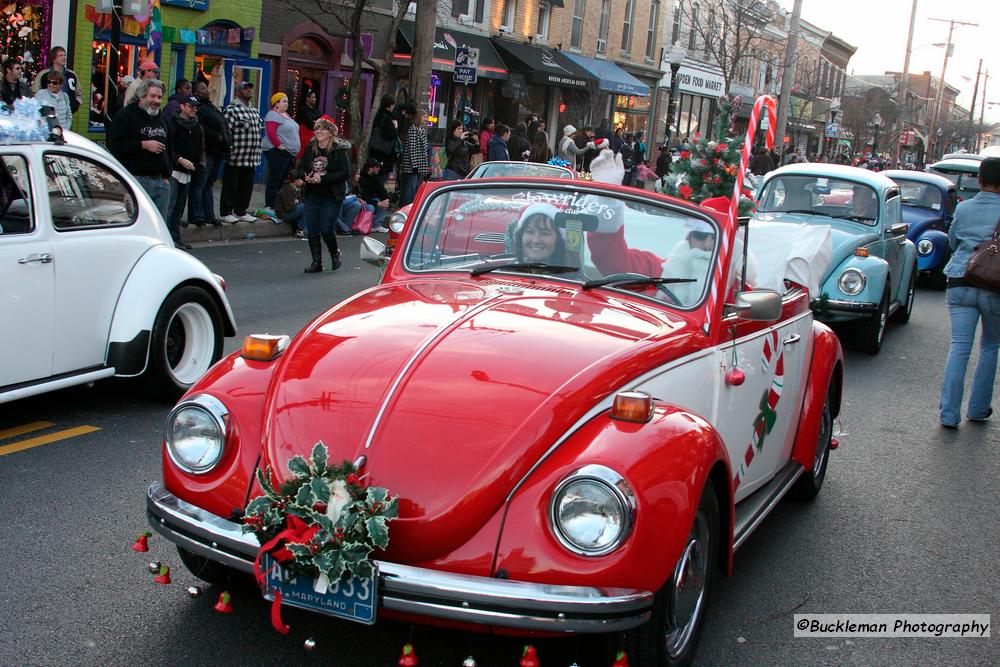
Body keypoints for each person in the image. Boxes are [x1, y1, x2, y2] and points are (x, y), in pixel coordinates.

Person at [938, 157, 1000, 428]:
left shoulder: (965, 208)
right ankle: (976, 410)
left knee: (959, 346)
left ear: (980, 179)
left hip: (961, 279)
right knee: (989, 346)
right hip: (995, 287)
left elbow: (952, 240)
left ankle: (948, 414)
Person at [107, 79, 171, 223]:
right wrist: (142, 145)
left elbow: (170, 147)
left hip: (161, 181)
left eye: (159, 97)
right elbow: (115, 145)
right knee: (139, 225)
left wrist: (167, 175)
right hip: (137, 180)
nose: (156, 101)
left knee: (159, 226)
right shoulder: (126, 115)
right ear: (142, 96)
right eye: (152, 96)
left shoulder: (161, 118)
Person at [298, 116, 349, 273]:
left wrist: (323, 178)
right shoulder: (310, 148)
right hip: (313, 194)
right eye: (317, 128)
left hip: (331, 196)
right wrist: (305, 176)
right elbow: (300, 168)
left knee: (326, 228)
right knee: (312, 229)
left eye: (323, 128)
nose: (319, 131)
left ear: (330, 132)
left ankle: (335, 253)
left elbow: (345, 173)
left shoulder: (338, 150)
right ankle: (317, 262)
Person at [165, 95, 204, 250]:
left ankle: (176, 237)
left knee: (180, 207)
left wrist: (199, 162)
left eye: (195, 107)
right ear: (182, 106)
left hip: (189, 170)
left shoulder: (196, 125)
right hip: (175, 170)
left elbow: (201, 146)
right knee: (171, 205)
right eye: (191, 106)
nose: (194, 109)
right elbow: (167, 148)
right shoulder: (172, 124)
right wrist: (180, 160)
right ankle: (167, 238)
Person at [221, 81, 263, 223]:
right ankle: (226, 211)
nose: (249, 90)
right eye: (245, 88)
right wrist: (229, 150)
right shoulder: (231, 109)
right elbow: (226, 131)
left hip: (251, 157)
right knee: (231, 185)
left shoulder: (254, 110)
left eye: (250, 88)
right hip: (236, 155)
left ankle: (241, 211)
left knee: (246, 186)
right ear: (238, 92)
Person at [189, 81, 227, 227]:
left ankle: (209, 214)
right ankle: (196, 214)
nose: (207, 90)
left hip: (217, 151)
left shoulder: (210, 105)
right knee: (201, 183)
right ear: (196, 93)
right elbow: (200, 126)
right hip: (207, 150)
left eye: (206, 87)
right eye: (203, 88)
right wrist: (215, 135)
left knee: (209, 184)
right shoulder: (198, 107)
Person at [261, 92, 300, 215]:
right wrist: (279, 145)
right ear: (276, 103)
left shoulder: (286, 115)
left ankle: (279, 203)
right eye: (284, 101)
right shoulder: (273, 115)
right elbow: (271, 132)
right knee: (275, 177)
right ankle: (270, 204)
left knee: (283, 179)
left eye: (287, 101)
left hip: (289, 153)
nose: (287, 103)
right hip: (278, 152)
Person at [32, 46, 82, 116]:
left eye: (65, 55)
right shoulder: (43, 75)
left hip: (66, 115)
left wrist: (75, 105)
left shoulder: (71, 75)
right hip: (48, 115)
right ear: (53, 58)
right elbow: (35, 92)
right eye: (61, 55)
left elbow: (79, 92)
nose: (64, 58)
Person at [399, 108, 429, 206]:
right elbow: (412, 148)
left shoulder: (422, 129)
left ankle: (413, 204)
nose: (426, 119)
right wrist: (415, 165)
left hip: (420, 164)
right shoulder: (413, 129)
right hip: (413, 164)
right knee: (410, 186)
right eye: (424, 117)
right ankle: (406, 205)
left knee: (416, 186)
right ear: (419, 117)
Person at [368, 94, 398, 185]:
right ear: (389, 105)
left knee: (375, 178)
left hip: (375, 151)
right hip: (384, 153)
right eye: (393, 105)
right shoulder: (387, 117)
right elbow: (389, 135)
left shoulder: (379, 115)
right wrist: (395, 127)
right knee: (380, 179)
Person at [358, 158, 391, 232]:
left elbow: (381, 189)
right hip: (363, 200)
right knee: (370, 208)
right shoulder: (362, 179)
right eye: (377, 167)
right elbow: (364, 196)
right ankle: (364, 226)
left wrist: (386, 198)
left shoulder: (374, 177)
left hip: (373, 199)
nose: (379, 169)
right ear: (370, 168)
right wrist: (377, 203)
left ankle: (376, 225)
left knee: (384, 203)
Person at [296, 89, 321, 160]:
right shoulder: (303, 109)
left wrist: (316, 121)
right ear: (307, 98)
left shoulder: (315, 109)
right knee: (302, 155)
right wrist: (317, 122)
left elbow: (322, 119)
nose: (315, 99)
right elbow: (310, 124)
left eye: (315, 97)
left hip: (314, 136)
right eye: (313, 97)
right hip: (304, 136)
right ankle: (297, 169)